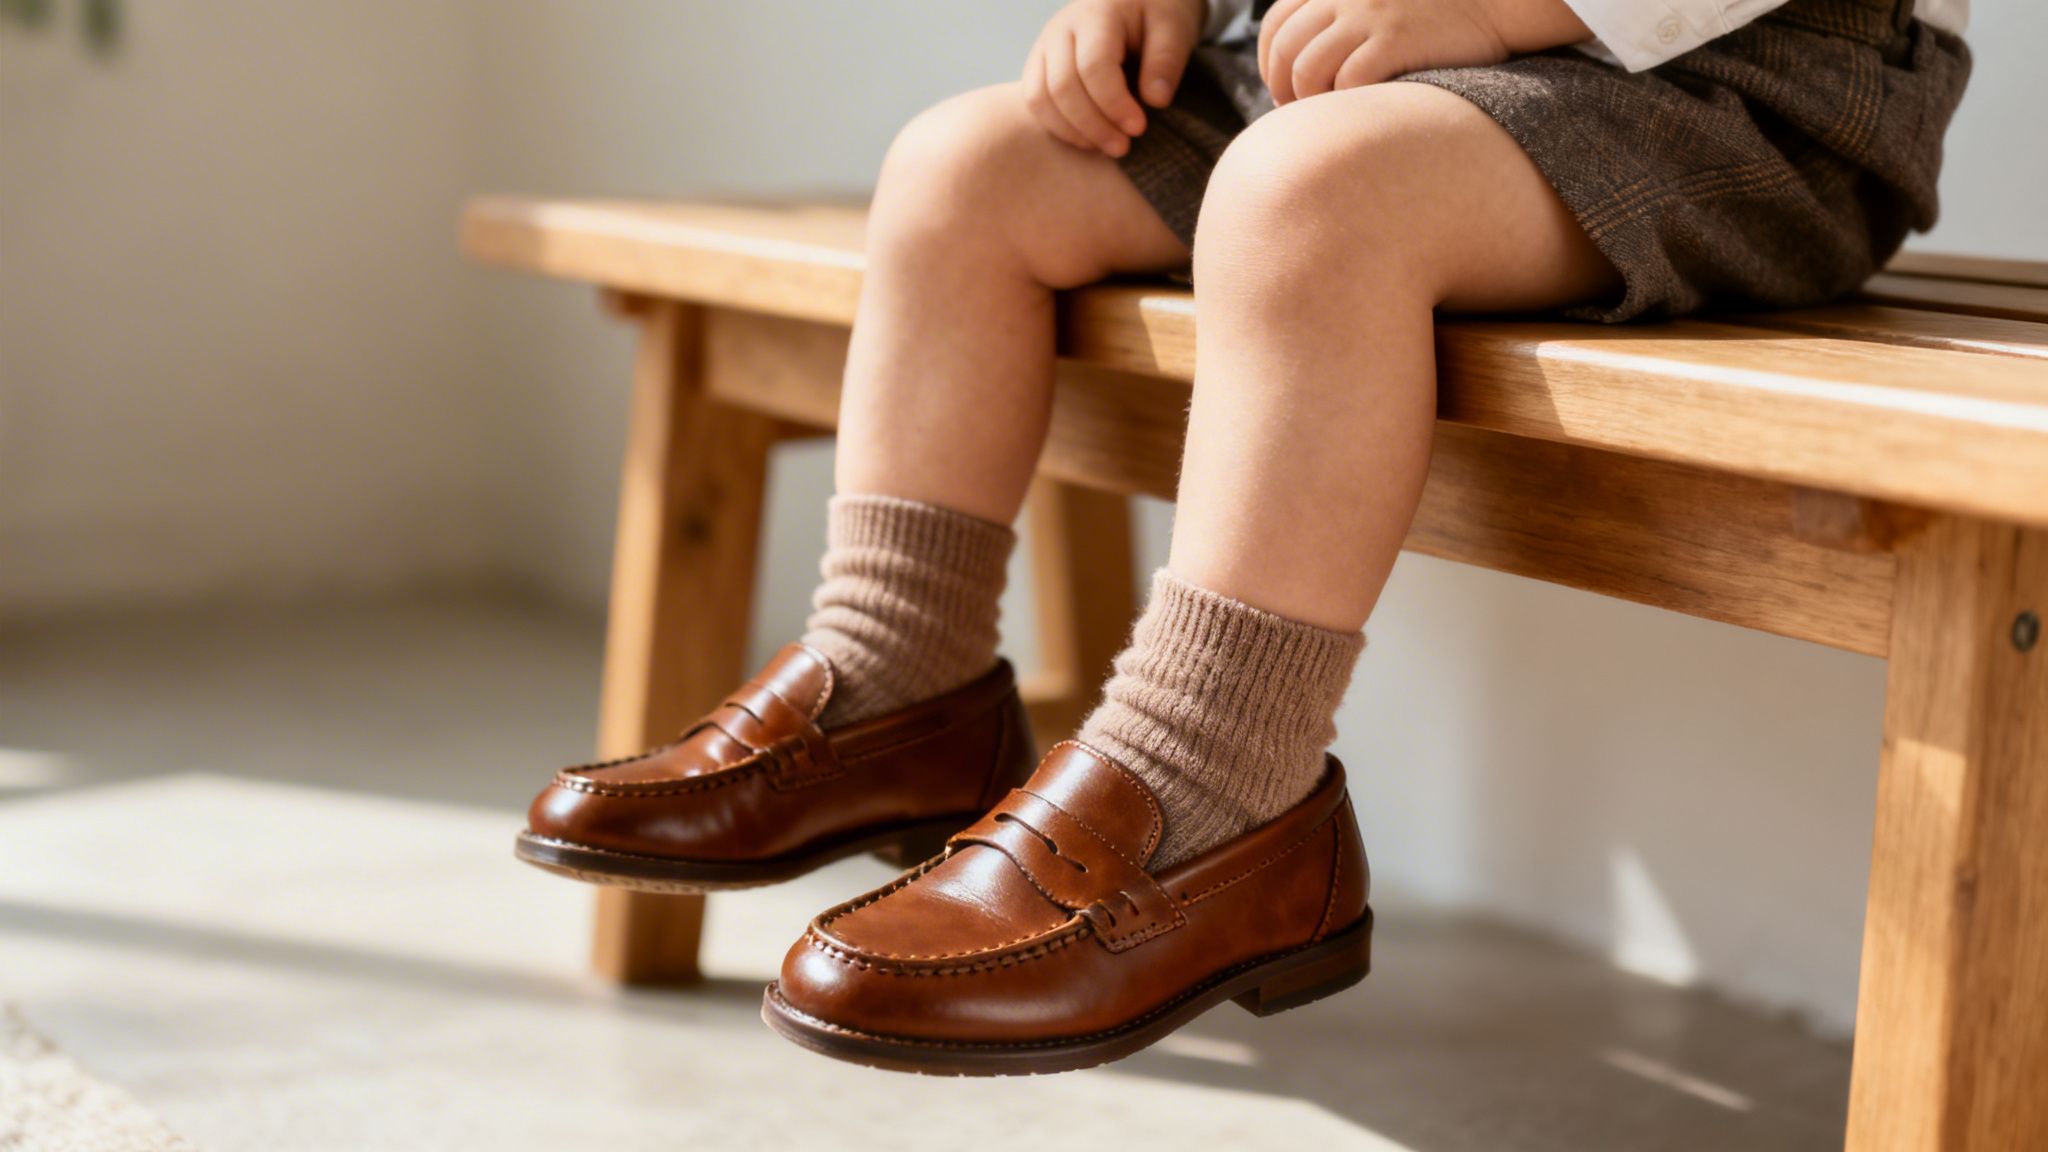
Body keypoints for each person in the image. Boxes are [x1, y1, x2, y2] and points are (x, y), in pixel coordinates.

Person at [517, 0, 1970, 1074]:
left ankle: (1209, 784)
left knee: (1307, 198)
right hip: (1342, 63)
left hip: (1722, 81)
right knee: (967, 166)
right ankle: (894, 682)